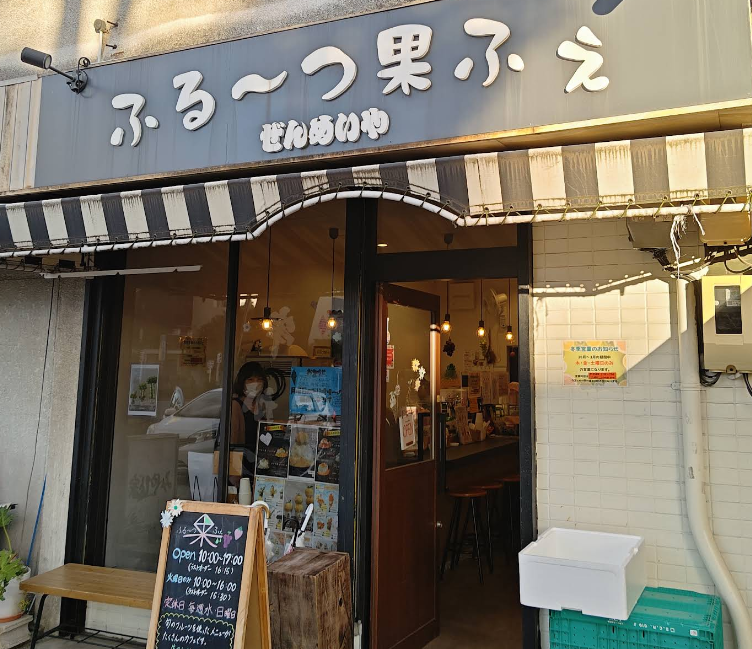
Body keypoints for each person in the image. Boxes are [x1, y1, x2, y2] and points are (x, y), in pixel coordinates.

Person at [231, 362, 268, 450]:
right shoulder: (235, 405)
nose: (256, 383)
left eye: (259, 379)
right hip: (242, 457)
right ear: (242, 382)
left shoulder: (260, 405)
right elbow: (232, 441)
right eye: (250, 380)